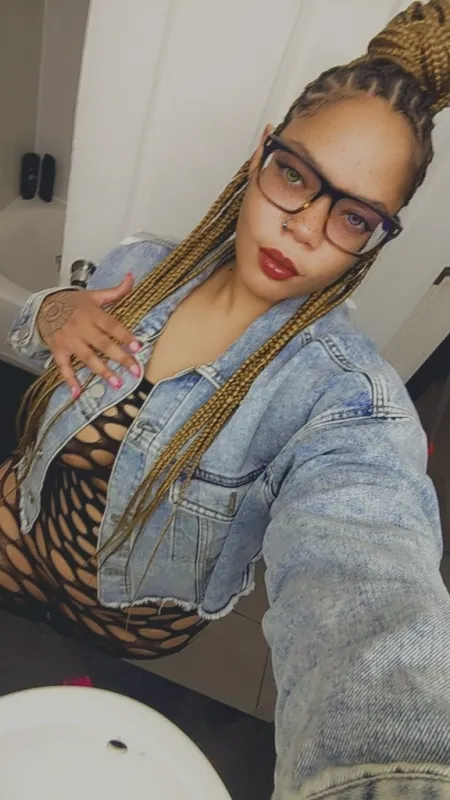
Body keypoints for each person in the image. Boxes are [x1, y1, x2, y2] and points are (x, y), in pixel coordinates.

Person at [2, 0, 450, 796]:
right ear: (260, 155)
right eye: (295, 175)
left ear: (376, 239)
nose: (304, 226)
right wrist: (49, 310)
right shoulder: (143, 264)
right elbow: (44, 341)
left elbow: (368, 575)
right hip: (18, 525)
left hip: (124, 621)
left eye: (352, 216)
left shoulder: (340, 398)